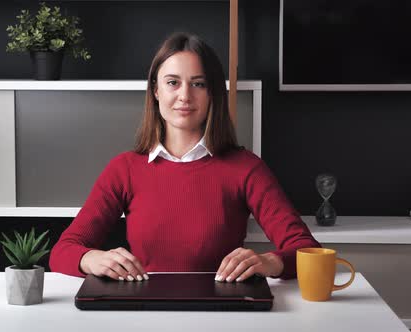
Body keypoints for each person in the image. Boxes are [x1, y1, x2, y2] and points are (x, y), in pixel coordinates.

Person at [49, 32, 320, 283]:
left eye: (198, 84)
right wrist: (90, 258)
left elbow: (307, 250)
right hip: (145, 311)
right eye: (172, 83)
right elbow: (62, 251)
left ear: (212, 93)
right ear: (156, 91)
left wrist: (268, 261)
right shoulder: (124, 169)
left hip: (223, 314)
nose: (184, 96)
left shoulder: (246, 168)